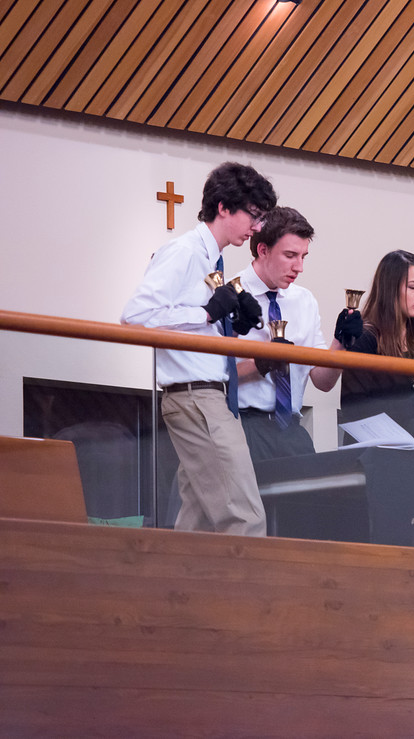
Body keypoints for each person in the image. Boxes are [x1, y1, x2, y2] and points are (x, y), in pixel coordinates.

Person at [122, 162, 277, 536]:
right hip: (196, 398)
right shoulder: (185, 252)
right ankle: (242, 596)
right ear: (223, 207)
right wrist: (206, 313)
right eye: (253, 216)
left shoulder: (212, 260)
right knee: (245, 518)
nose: (257, 227)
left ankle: (172, 592)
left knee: (200, 524)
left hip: (207, 397)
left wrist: (232, 327)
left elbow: (195, 327)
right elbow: (135, 317)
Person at [233, 206, 345, 462]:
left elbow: (323, 381)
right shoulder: (230, 295)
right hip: (244, 425)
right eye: (291, 255)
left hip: (291, 429)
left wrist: (341, 342)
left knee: (309, 500)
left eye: (304, 256)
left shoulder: (304, 300)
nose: (299, 267)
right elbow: (215, 378)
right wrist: (262, 363)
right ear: (263, 250)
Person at [340, 250, 414, 431]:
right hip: (376, 449)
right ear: (390, 289)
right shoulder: (366, 338)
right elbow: (354, 407)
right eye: (413, 287)